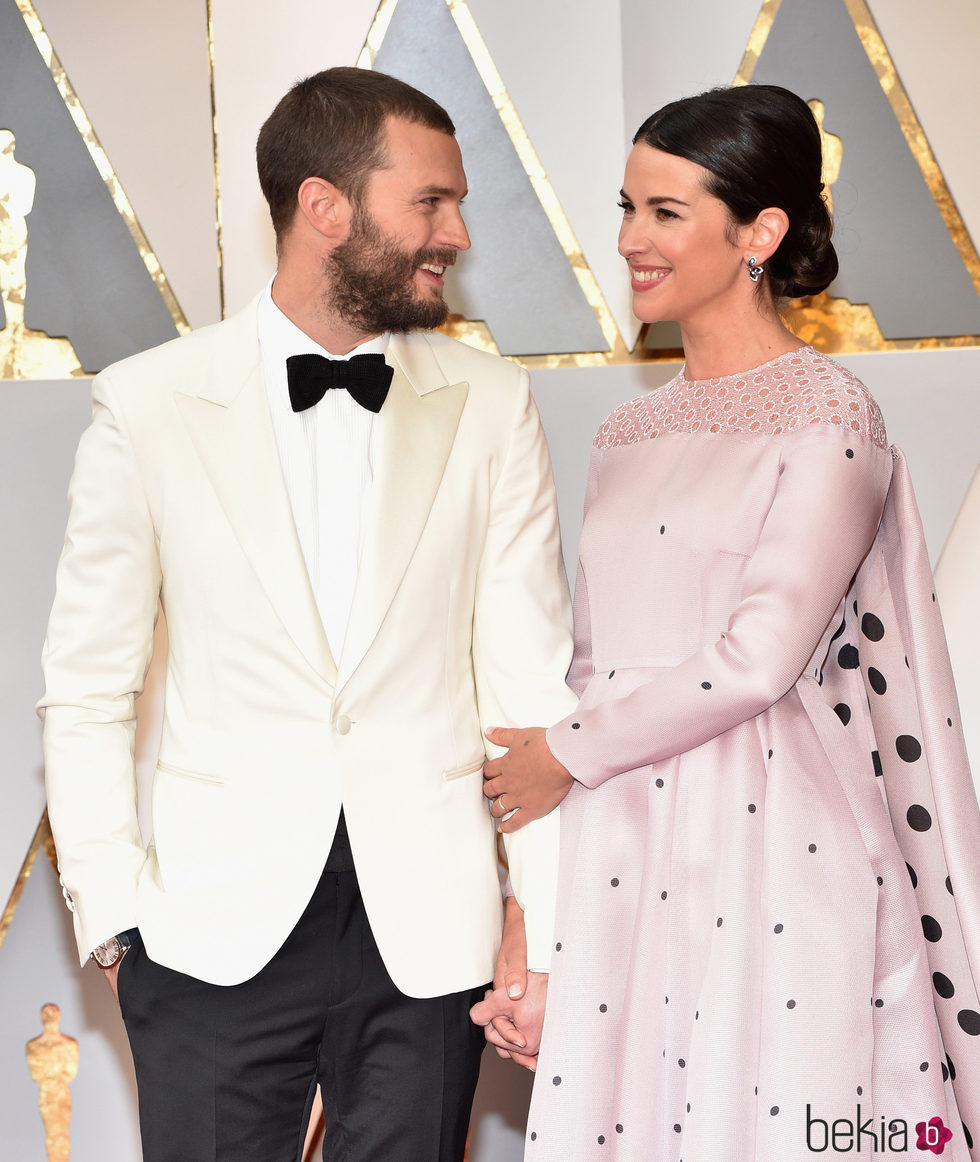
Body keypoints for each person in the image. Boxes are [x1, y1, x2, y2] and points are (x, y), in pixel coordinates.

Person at [38, 67, 575, 1161]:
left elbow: (527, 692)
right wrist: (112, 915)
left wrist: (546, 922)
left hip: (428, 936)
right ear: (325, 205)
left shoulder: (491, 404)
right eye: (430, 202)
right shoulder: (146, 401)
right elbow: (88, 681)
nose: (457, 232)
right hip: (207, 936)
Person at [473, 85, 980, 1159]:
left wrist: (563, 754)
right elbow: (591, 669)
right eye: (625, 207)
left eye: (664, 212)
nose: (627, 241)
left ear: (759, 232)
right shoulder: (626, 428)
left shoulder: (828, 414)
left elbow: (758, 657)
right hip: (622, 843)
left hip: (776, 847)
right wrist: (536, 919)